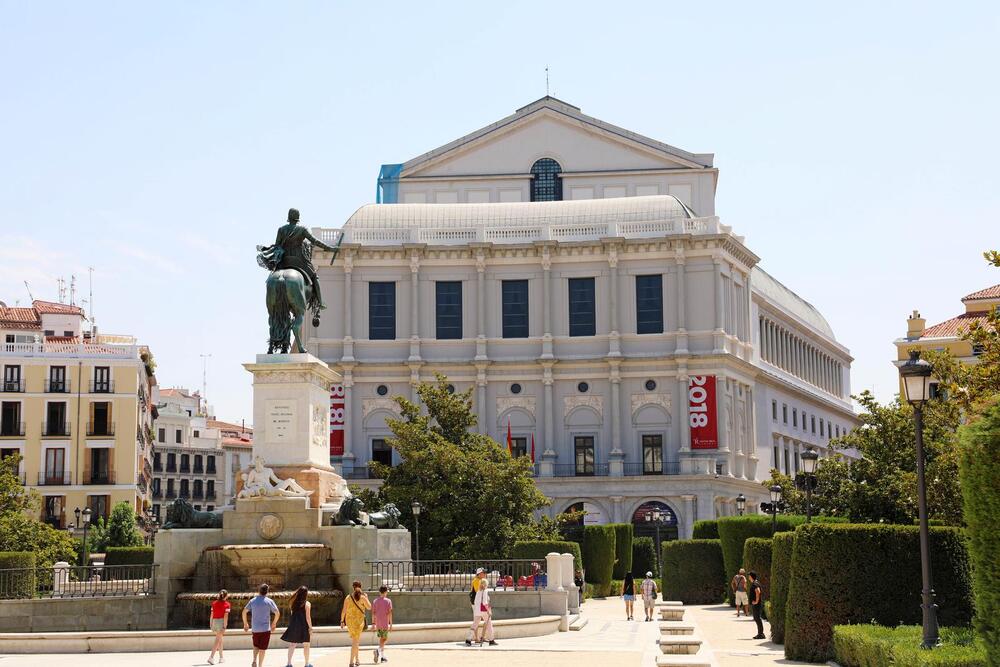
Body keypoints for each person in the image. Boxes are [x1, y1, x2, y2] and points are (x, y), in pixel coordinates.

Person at [257, 207, 340, 311]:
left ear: (289, 218)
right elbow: (314, 241)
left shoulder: (281, 230)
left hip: (284, 261)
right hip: (299, 261)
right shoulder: (302, 229)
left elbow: (277, 246)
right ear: (297, 218)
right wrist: (329, 248)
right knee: (314, 277)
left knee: (273, 275)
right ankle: (320, 302)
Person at [242, 583, 280, 667]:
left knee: (256, 646)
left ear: (259, 591)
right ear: (267, 592)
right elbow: (277, 613)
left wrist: (245, 623)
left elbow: (244, 612)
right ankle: (260, 665)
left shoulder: (253, 600)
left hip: (255, 629)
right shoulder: (269, 601)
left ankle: (254, 660)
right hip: (265, 629)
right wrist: (274, 623)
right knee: (262, 649)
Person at [340, 580, 371, 667]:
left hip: (349, 621)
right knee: (355, 641)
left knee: (355, 640)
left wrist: (342, 621)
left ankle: (357, 660)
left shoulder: (348, 597)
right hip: (359, 622)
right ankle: (351, 662)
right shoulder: (363, 597)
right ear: (360, 587)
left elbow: (344, 611)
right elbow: (369, 607)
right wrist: (367, 598)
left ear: (353, 587)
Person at [281, 585, 313, 667]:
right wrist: (310, 628)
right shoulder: (307, 604)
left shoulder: (292, 602)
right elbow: (308, 617)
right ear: (306, 594)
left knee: (292, 644)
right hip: (304, 626)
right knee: (306, 645)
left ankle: (288, 663)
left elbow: (292, 614)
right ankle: (306, 664)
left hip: (294, 625)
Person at [467, 578, 497, 646]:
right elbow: (484, 602)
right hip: (484, 610)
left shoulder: (478, 591)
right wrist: (488, 611)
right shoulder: (485, 591)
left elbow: (475, 602)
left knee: (474, 625)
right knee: (489, 624)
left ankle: (468, 639)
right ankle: (491, 640)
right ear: (486, 584)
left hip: (477, 610)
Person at [464, 568, 487, 646]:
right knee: (477, 620)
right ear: (479, 574)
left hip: (477, 603)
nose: (485, 574)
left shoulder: (478, 580)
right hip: (477, 604)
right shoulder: (477, 581)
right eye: (483, 573)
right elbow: (479, 592)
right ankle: (476, 638)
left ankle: (475, 638)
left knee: (477, 620)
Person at [207, 588, 230, 665]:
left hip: (214, 621)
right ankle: (211, 657)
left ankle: (221, 657)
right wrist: (225, 626)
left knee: (220, 639)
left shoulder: (214, 603)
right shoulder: (227, 604)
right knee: (217, 640)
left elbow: (212, 614)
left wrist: (210, 623)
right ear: (226, 596)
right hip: (221, 622)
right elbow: (225, 616)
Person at [371, 585, 393, 663]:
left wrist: (373, 624)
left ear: (379, 592)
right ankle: (377, 650)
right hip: (385, 623)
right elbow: (390, 614)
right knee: (385, 638)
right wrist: (391, 624)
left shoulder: (375, 601)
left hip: (378, 623)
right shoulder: (388, 601)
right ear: (386, 592)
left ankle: (382, 657)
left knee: (381, 639)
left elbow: (373, 613)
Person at [748, 571, 765, 640]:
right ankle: (760, 633)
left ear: (751, 576)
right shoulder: (755, 582)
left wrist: (756, 601)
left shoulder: (755, 583)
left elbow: (758, 591)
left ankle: (761, 634)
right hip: (756, 603)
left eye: (749, 576)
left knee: (757, 618)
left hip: (756, 604)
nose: (748, 577)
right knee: (757, 618)